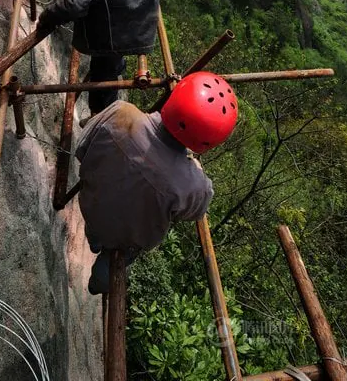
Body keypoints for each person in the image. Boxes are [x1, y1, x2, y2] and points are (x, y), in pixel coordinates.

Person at [74, 71, 239, 294]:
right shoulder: (193, 186)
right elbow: (196, 211)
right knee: (114, 259)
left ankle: (94, 240)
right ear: (208, 141)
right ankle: (96, 284)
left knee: (98, 230)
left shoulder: (121, 111)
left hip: (90, 205)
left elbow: (82, 151)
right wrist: (196, 170)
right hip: (124, 240)